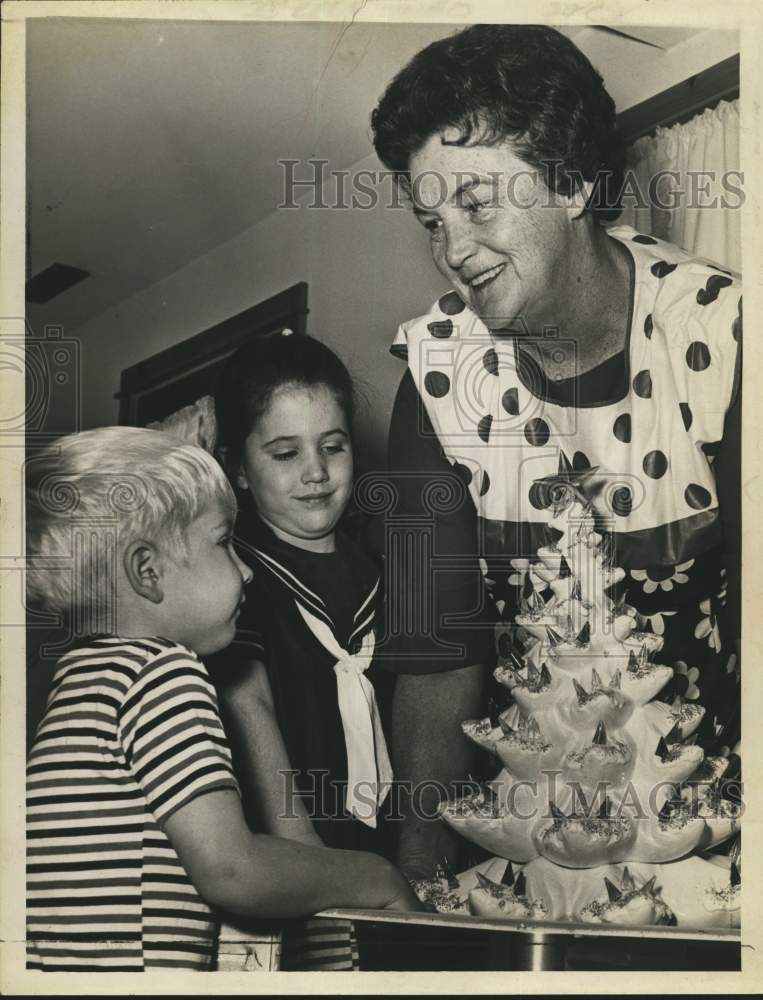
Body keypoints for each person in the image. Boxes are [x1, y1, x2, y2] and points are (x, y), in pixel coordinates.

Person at [370, 23, 742, 881]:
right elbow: (438, 653)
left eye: (476, 204)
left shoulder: (725, 340)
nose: (452, 250)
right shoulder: (434, 375)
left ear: (571, 182)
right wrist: (420, 874)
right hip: (527, 835)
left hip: (711, 834)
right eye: (432, 220)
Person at [25, 426, 419, 972]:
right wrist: (376, 877)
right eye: (223, 542)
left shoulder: (74, 681)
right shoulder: (162, 673)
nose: (247, 569)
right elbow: (233, 870)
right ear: (148, 571)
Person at [211, 331, 396, 970]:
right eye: (285, 453)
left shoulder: (382, 571)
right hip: (297, 862)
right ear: (238, 467)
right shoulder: (235, 575)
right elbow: (249, 706)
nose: (315, 473)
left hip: (388, 856)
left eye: (332, 447)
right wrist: (313, 863)